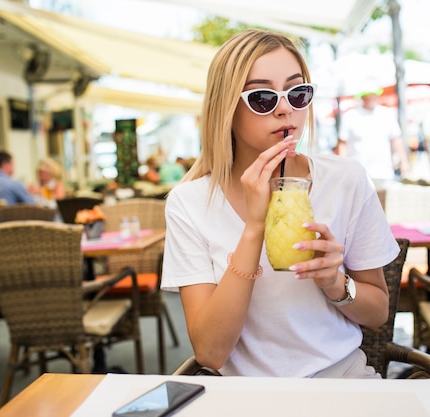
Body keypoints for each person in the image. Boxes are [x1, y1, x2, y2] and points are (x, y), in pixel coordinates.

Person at [161, 29, 400, 378]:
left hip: (344, 384)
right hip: (247, 398)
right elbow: (210, 353)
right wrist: (255, 228)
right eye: (262, 97)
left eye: (297, 92)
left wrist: (335, 281)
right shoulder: (190, 202)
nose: (286, 108)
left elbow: (378, 313)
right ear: (226, 108)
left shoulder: (345, 179)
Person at [336, 83, 409, 189]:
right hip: (358, 174)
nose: (370, 98)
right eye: (367, 95)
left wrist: (404, 163)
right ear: (362, 97)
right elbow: (342, 145)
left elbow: (396, 139)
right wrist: (343, 168)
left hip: (383, 172)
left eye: (372, 95)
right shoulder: (350, 116)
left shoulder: (387, 114)